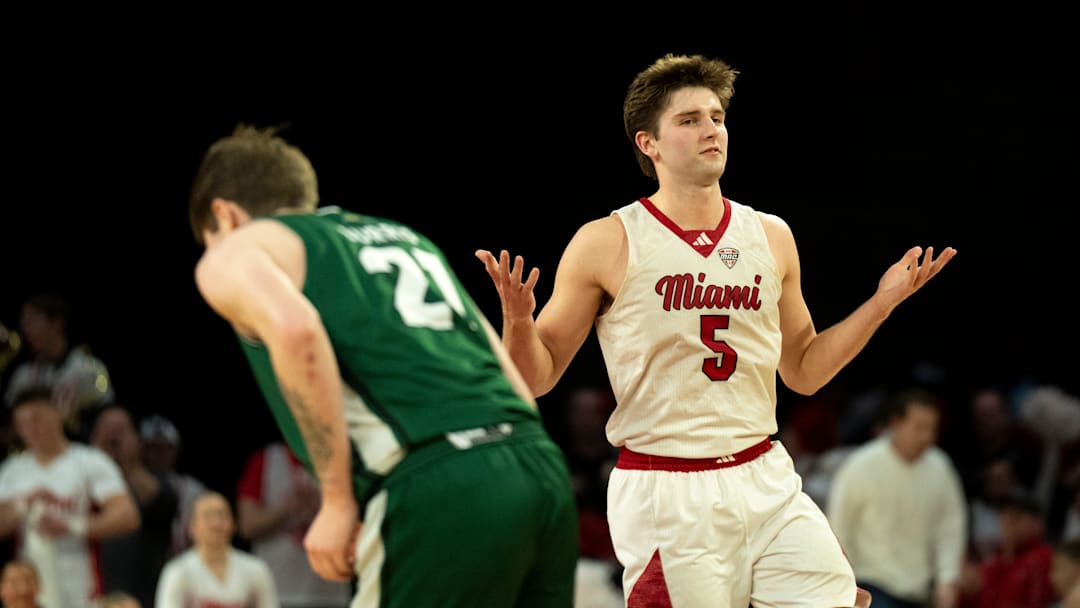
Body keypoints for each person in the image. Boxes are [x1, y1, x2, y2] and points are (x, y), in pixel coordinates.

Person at [475, 52, 956, 608]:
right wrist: (517, 321)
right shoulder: (606, 241)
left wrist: (880, 304)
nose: (712, 130)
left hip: (764, 473)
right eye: (690, 120)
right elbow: (536, 377)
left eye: (717, 117)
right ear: (647, 143)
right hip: (667, 489)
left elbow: (802, 370)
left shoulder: (771, 234)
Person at [185, 124, 578, 607]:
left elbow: (296, 330)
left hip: (436, 479)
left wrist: (335, 499)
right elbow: (512, 380)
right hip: (539, 465)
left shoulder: (239, 246)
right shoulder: (405, 238)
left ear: (223, 214)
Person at [827, 387, 968, 608]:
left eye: (932, 428)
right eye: (919, 427)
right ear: (896, 424)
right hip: (873, 585)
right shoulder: (860, 467)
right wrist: (842, 586)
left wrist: (947, 580)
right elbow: (840, 529)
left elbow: (949, 529)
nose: (927, 436)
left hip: (920, 590)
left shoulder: (941, 468)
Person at [0, 387, 140, 608]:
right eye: (23, 424)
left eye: (37, 419)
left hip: (82, 583)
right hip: (29, 587)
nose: (31, 429)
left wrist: (71, 525)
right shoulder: (11, 470)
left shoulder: (89, 461)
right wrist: (22, 505)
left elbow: (127, 516)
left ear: (57, 413)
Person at [236, 440, 351, 608]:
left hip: (330, 593)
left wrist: (324, 509)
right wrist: (287, 509)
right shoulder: (266, 460)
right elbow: (247, 526)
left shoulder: (339, 460)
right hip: (278, 592)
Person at [89, 405, 178, 608]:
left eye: (121, 433)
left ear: (138, 441)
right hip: (93, 595)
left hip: (143, 596)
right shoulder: (81, 484)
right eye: (107, 433)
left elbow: (161, 504)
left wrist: (127, 464)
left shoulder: (157, 480)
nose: (114, 441)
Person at [1, 293, 115, 440]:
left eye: (33, 319)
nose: (26, 328)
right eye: (24, 320)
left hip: (77, 450)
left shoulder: (89, 369)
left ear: (57, 324)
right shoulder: (23, 375)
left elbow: (107, 416)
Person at [154, 491, 278, 608]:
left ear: (234, 524)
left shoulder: (256, 569)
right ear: (192, 527)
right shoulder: (177, 571)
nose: (216, 523)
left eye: (222, 516)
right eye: (207, 516)